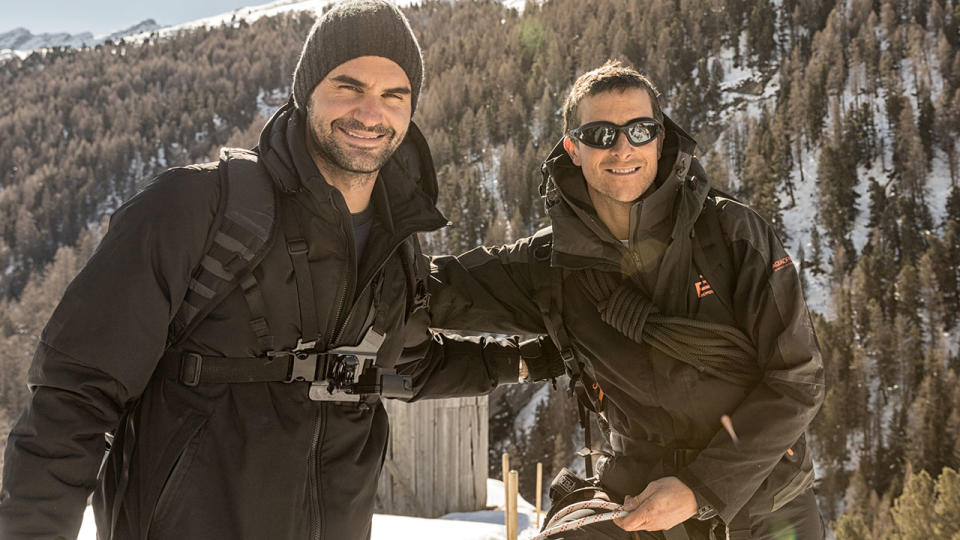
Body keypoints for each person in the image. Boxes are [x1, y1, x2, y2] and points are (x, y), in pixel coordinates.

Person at [0, 2, 562, 539]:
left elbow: (405, 365)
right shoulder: (197, 207)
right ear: (305, 92)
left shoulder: (397, 246)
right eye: (349, 87)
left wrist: (528, 360)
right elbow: (75, 393)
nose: (373, 113)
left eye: (395, 94)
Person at [427, 60, 826, 539]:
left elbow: (797, 379)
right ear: (573, 148)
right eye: (600, 133)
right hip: (637, 506)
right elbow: (431, 289)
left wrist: (699, 488)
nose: (622, 148)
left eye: (640, 130)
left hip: (765, 508)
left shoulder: (733, 235)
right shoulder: (549, 265)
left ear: (659, 139)